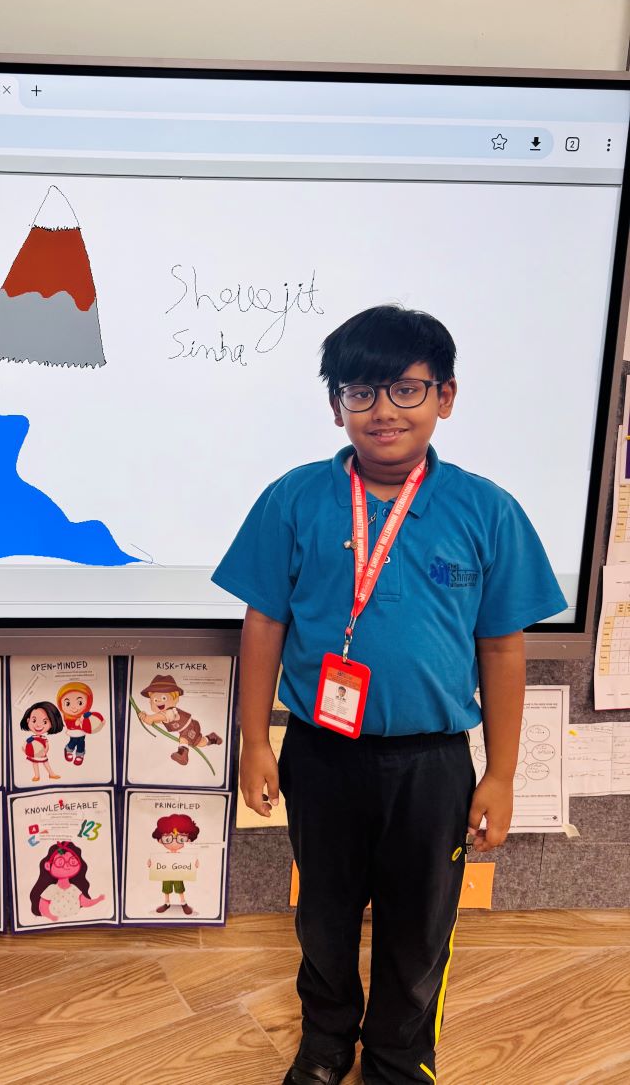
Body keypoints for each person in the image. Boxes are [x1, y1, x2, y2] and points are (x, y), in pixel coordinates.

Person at [212, 304, 566, 1085]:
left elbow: (502, 647)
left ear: (446, 396)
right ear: (335, 403)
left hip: (432, 765)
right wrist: (254, 740)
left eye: (407, 389)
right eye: (361, 391)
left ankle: (400, 1056)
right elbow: (264, 621)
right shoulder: (293, 499)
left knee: (421, 923)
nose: (384, 411)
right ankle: (326, 1040)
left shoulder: (488, 510)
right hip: (321, 754)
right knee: (323, 915)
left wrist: (502, 774)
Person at [29, 841, 107, 923]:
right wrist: (50, 916)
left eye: (72, 862)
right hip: (55, 922)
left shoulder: (74, 889)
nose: (66, 865)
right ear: (48, 866)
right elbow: (43, 905)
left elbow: (84, 902)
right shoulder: (51, 889)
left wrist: (98, 900)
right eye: (60, 862)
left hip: (76, 922)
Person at [55, 681, 105, 767]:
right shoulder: (67, 716)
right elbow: (70, 725)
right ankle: (68, 749)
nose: (74, 707)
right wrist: (77, 722)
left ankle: (80, 754)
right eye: (67, 703)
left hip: (83, 732)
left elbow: (95, 717)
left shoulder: (86, 714)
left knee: (81, 742)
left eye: (80, 703)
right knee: (74, 741)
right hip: (74, 732)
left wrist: (100, 722)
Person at [19, 702, 64, 783]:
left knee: (46, 763)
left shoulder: (43, 738)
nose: (38, 725)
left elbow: (47, 745)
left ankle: (51, 774)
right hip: (33, 754)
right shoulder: (31, 738)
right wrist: (25, 751)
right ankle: (37, 776)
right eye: (34, 720)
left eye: (45, 722)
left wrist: (45, 751)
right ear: (28, 720)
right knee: (35, 764)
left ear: (52, 723)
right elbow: (24, 746)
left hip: (42, 754)